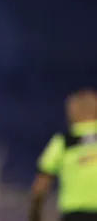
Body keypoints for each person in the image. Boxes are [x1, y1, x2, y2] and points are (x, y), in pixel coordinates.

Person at [29, 89, 97, 221]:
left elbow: (39, 188)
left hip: (74, 215)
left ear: (72, 113)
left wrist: (34, 216)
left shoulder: (63, 142)